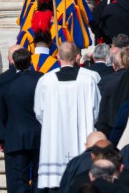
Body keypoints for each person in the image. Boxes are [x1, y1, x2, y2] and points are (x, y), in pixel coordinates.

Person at [33, 41, 102, 190]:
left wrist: (52, 123)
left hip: (54, 142)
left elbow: (39, 112)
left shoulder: (46, 81)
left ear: (57, 56)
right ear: (77, 57)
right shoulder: (89, 79)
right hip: (82, 139)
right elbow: (96, 109)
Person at [0, 47, 42, 193]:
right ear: (30, 62)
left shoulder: (4, 85)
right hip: (39, 136)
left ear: (13, 63)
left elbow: (1, 115)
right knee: (38, 179)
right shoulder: (41, 80)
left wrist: (1, 138)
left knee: (18, 181)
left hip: (15, 138)